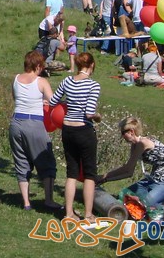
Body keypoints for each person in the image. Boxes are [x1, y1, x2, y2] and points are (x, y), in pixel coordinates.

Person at [49, 52, 102, 224]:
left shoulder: (67, 81)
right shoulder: (93, 85)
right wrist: (98, 117)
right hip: (83, 130)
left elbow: (54, 100)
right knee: (89, 174)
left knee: (71, 173)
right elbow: (89, 112)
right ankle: (88, 214)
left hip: (67, 130)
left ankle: (69, 213)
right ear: (92, 65)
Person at [10, 51, 61, 211]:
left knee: (21, 161)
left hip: (16, 123)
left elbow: (16, 98)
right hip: (34, 123)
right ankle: (49, 200)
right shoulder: (41, 81)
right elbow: (53, 100)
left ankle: (26, 202)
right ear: (38, 66)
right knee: (46, 161)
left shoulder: (16, 79)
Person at [100, 116, 164, 213]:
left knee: (145, 205)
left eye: (123, 133)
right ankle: (157, 201)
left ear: (131, 131)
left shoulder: (142, 143)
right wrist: (106, 179)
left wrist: (104, 177)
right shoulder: (135, 145)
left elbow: (127, 168)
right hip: (152, 180)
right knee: (124, 196)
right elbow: (129, 172)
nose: (122, 136)